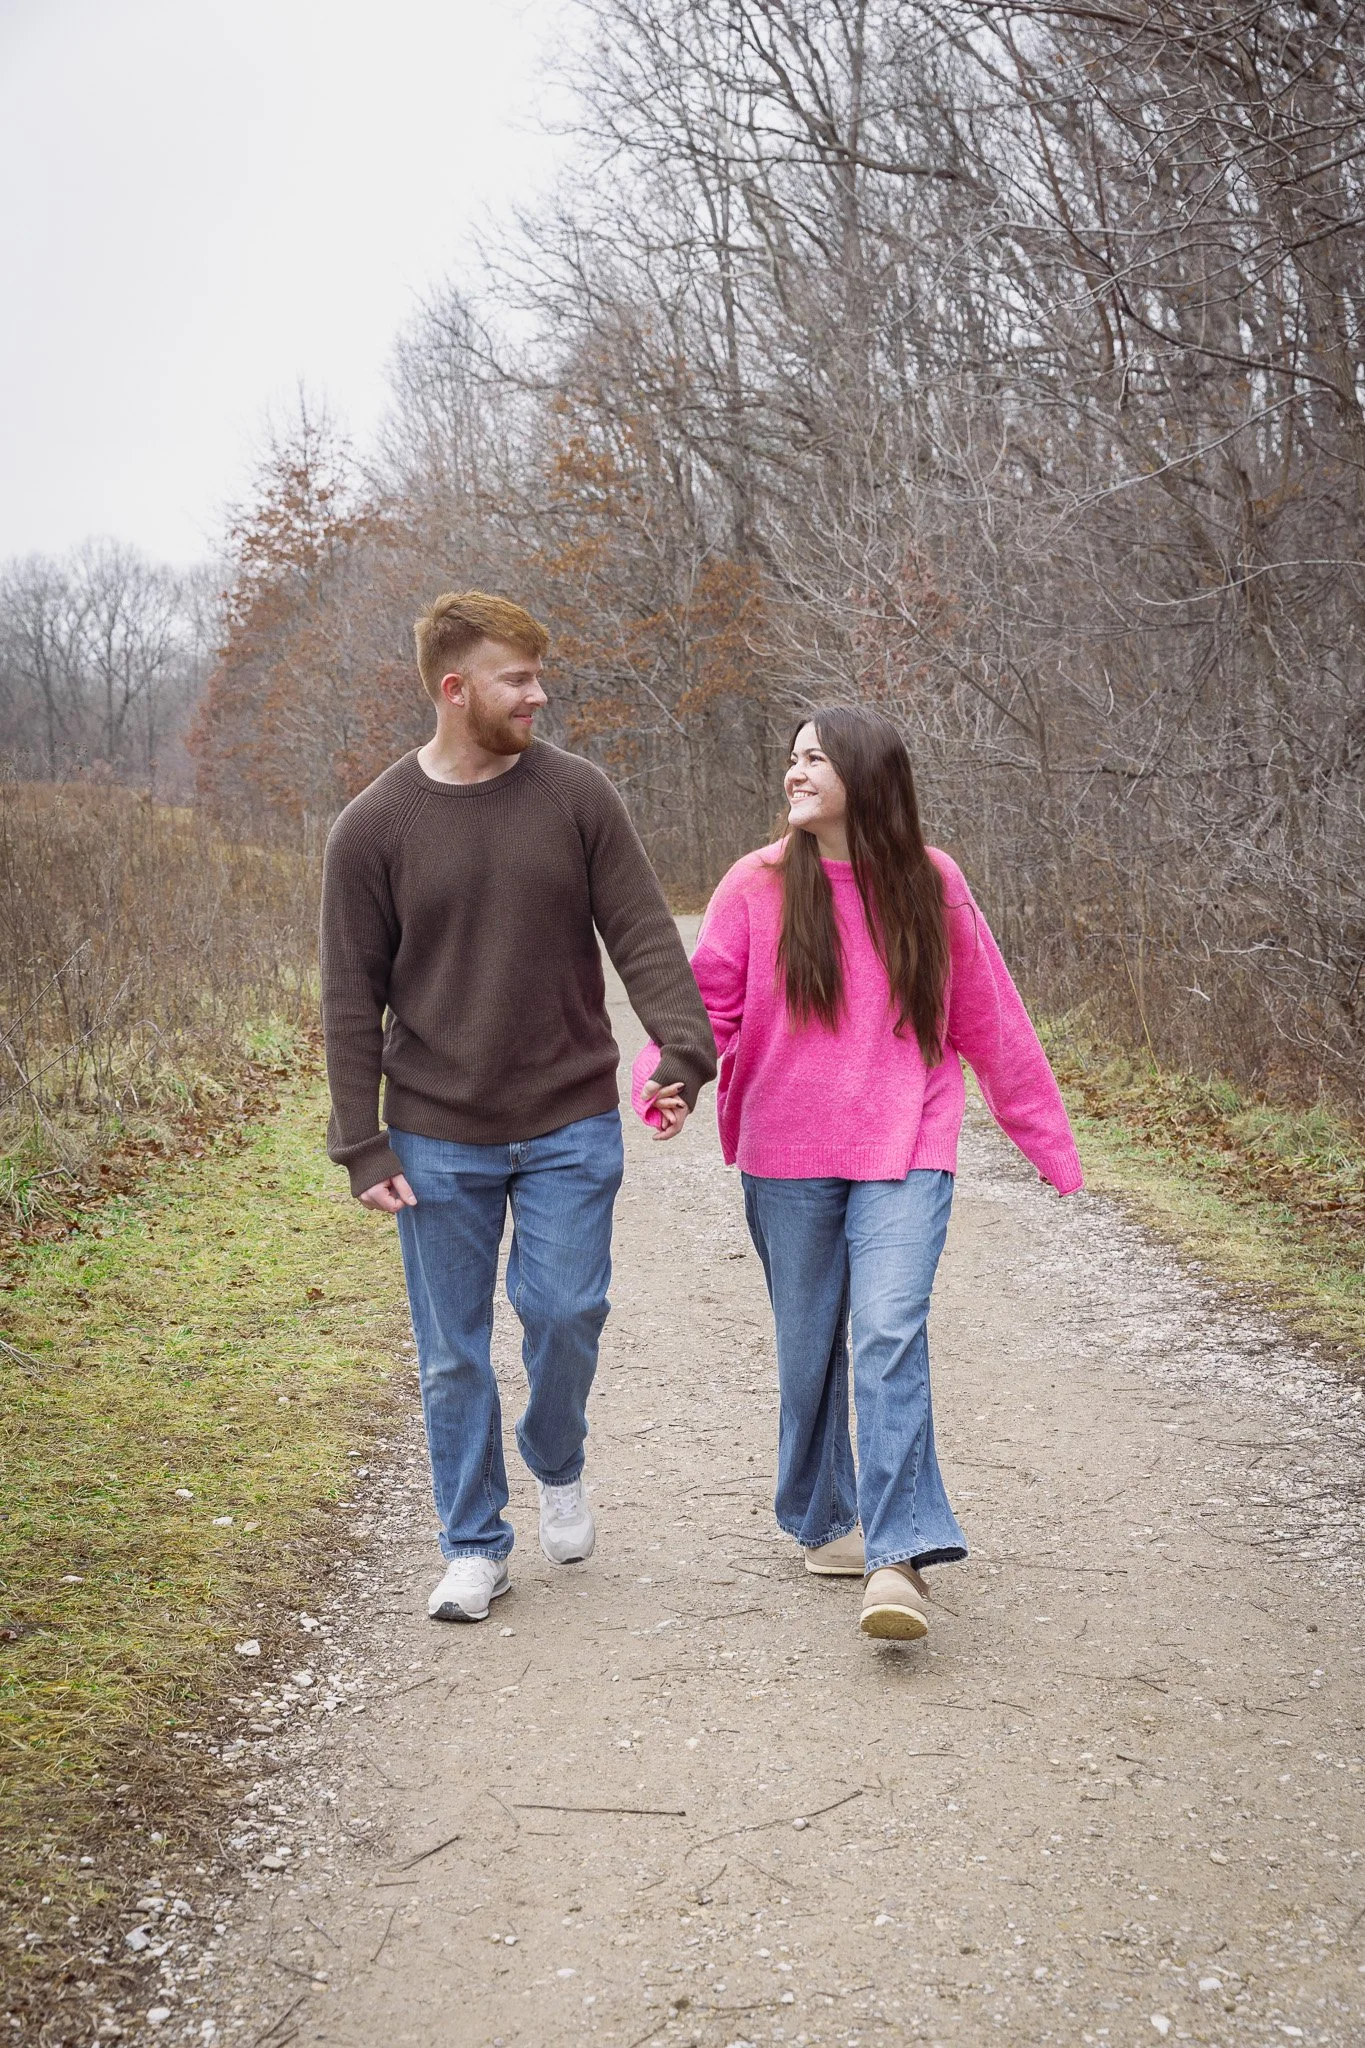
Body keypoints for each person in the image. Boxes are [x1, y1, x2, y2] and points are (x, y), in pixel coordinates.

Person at [634, 706, 1082, 1641]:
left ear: (865, 775)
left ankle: (896, 1555)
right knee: (810, 1356)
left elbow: (987, 1021)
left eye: (814, 758)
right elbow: (704, 1006)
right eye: (790, 756)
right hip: (784, 1152)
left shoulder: (930, 880)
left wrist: (1047, 1144)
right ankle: (826, 1520)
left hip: (904, 1143)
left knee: (884, 1331)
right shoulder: (755, 885)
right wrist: (667, 1082)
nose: (794, 772)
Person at [321, 592, 716, 1623]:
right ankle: (473, 1542)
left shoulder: (577, 795)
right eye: (517, 678)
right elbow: (348, 995)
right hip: (432, 1130)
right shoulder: (372, 829)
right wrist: (360, 1142)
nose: (539, 694)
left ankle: (557, 1449)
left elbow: (639, 929)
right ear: (455, 689)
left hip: (569, 1116)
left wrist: (682, 1043)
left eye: (539, 675)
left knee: (566, 1309)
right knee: (451, 1348)